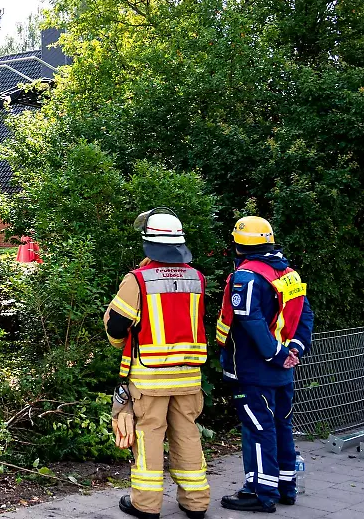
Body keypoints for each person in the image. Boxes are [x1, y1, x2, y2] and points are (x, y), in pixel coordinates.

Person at [105, 208, 211, 519]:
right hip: (189, 376)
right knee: (187, 434)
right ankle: (196, 503)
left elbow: (117, 326)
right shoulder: (197, 278)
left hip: (150, 378)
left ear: (149, 243)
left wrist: (121, 344)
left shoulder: (138, 280)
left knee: (149, 435)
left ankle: (146, 505)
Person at [215, 216, 314, 513]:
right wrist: (294, 349)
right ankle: (285, 486)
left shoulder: (246, 277)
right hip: (283, 369)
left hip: (254, 368)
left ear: (238, 245)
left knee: (258, 428)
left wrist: (276, 354)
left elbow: (251, 322)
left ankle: (260, 492)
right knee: (281, 425)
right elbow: (305, 315)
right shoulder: (289, 274)